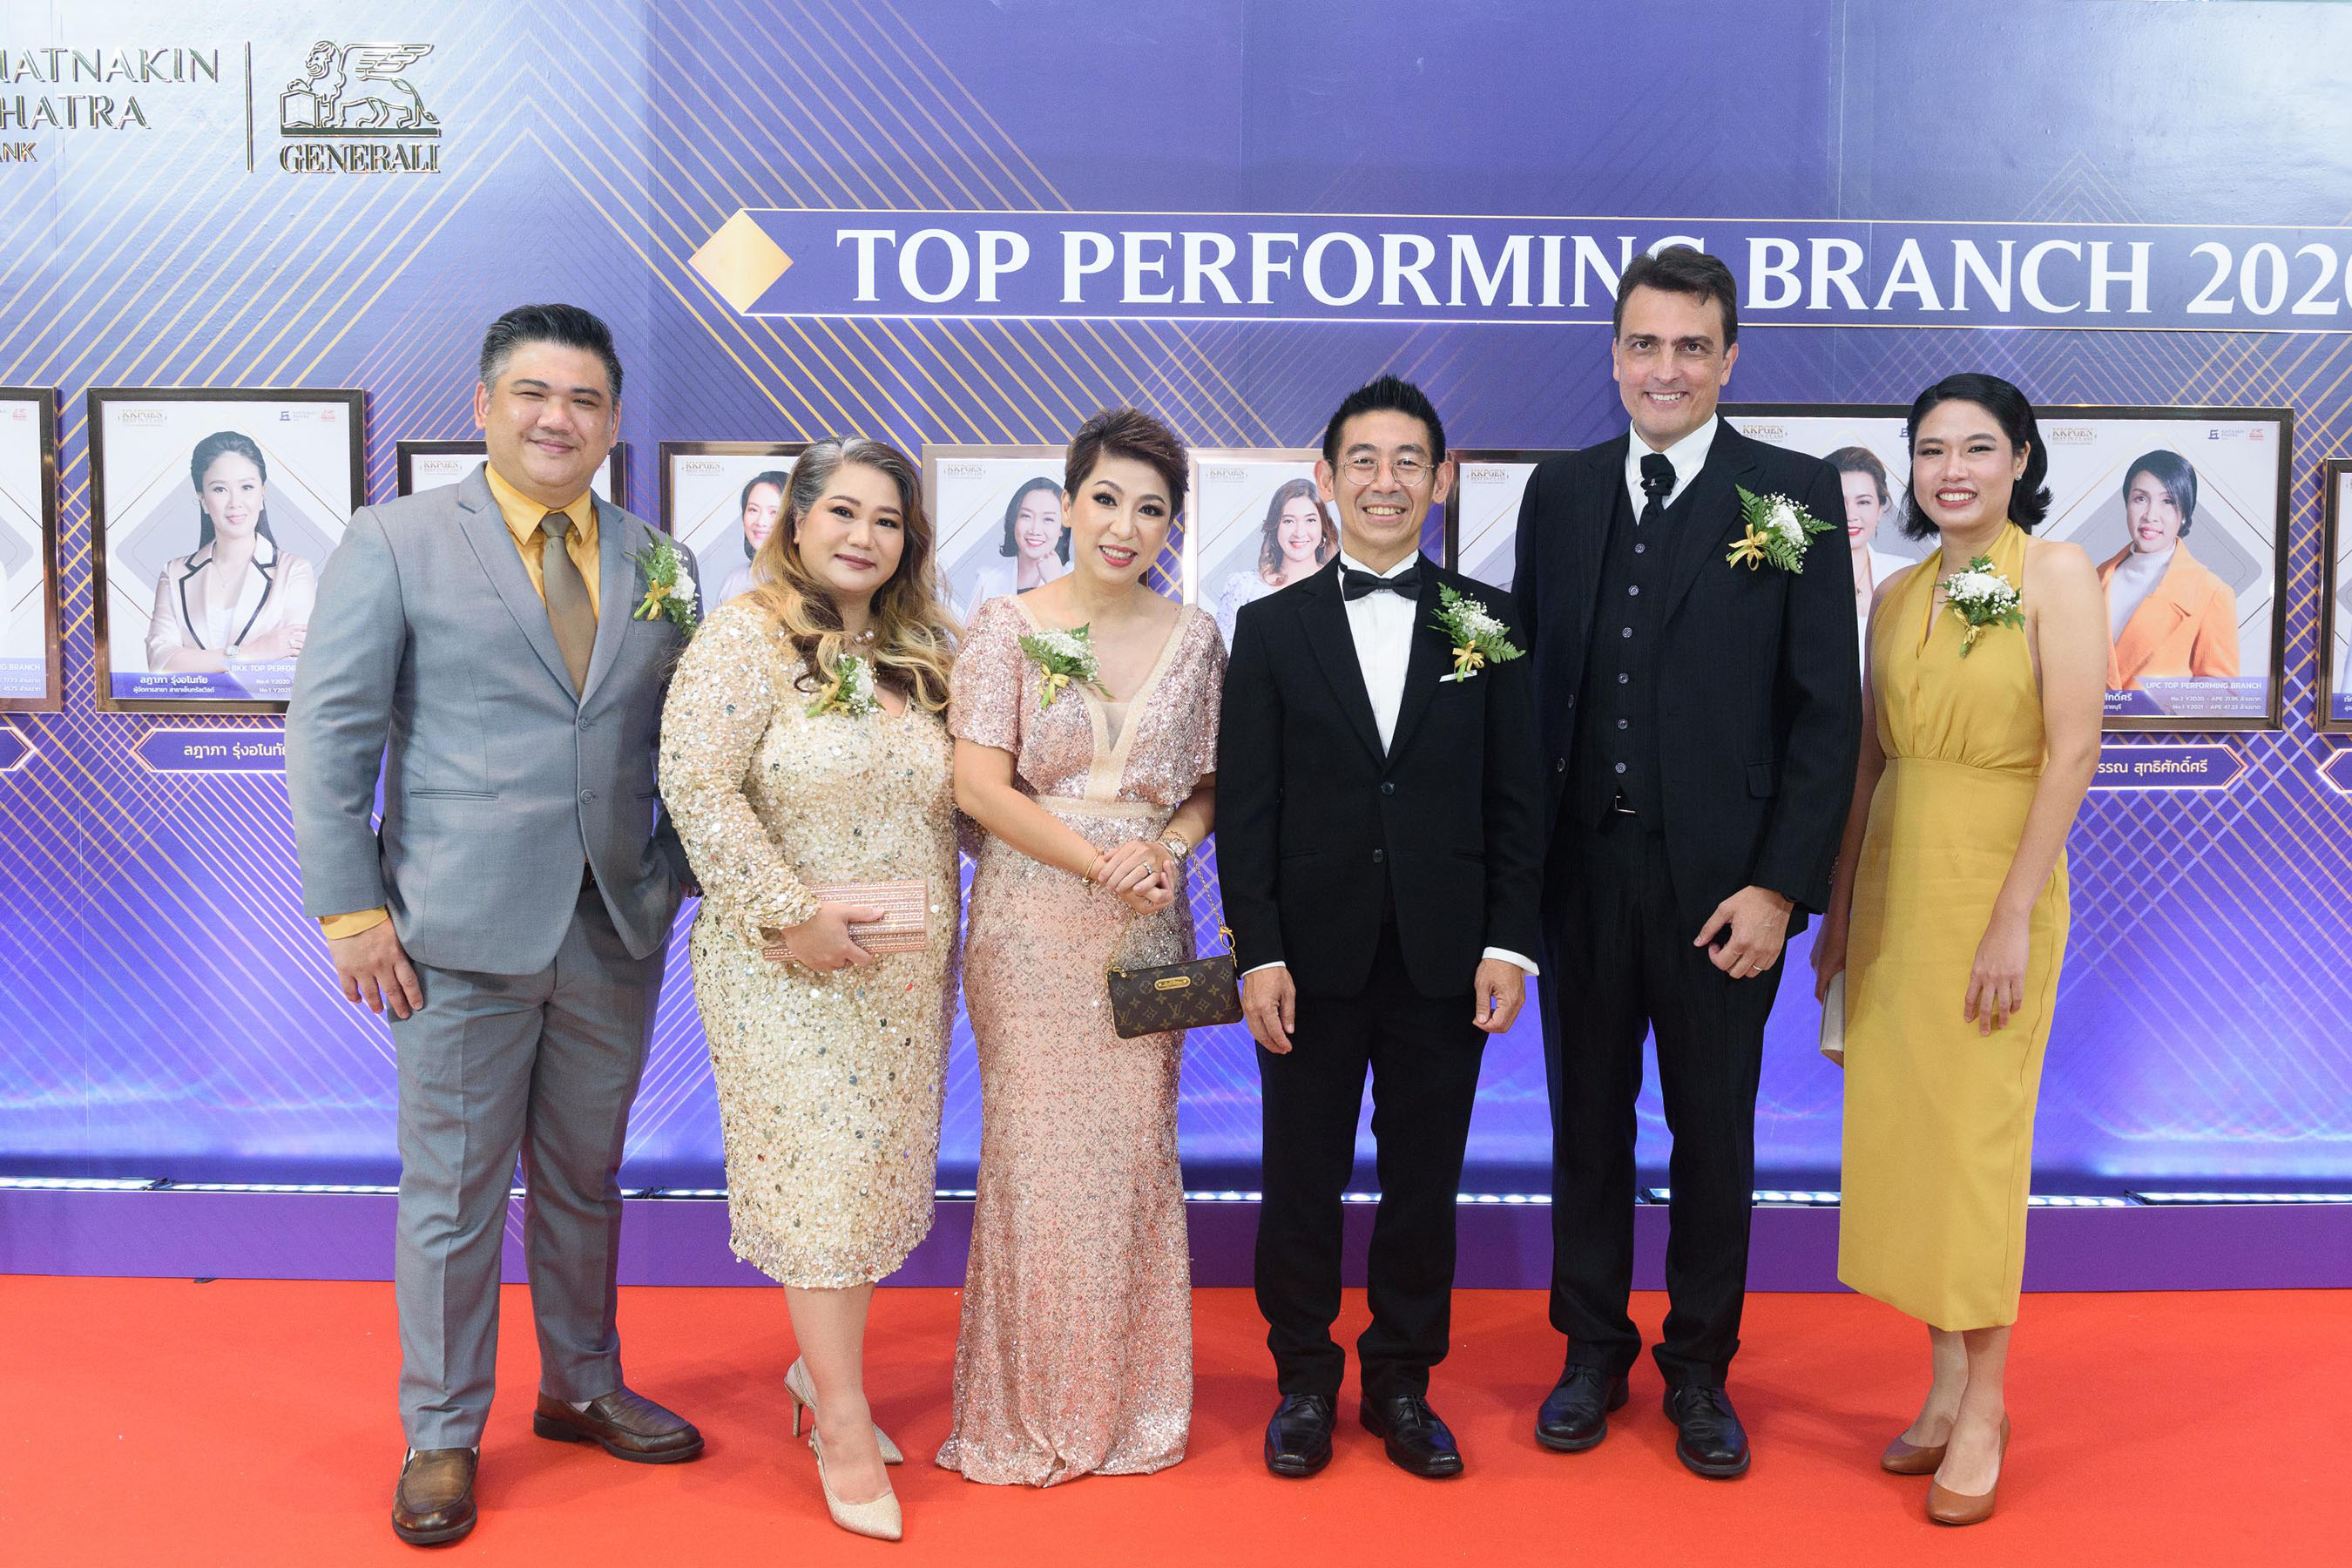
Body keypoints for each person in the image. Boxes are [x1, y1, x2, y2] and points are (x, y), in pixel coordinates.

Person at [287, 304, 704, 1549]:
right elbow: (329, 734)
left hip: (612, 927)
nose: (556, 418)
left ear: (615, 422)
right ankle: (441, 1433)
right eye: (533, 393)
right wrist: (351, 910)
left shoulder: (662, 562)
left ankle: (581, 1384)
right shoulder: (398, 541)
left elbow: (693, 740)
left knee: (585, 1178)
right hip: (451, 934)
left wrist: (678, 874)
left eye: (584, 399)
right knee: (455, 1195)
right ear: (483, 406)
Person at [1511, 247, 1860, 1479]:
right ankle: (1590, 1351)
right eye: (1645, 344)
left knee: (1715, 1133)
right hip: (1580, 878)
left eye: (1692, 347)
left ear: (1728, 359)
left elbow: (1826, 716)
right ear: (1615, 356)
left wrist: (1781, 887)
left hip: (1728, 893)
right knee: (1586, 1126)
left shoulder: (1791, 494)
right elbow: (1526, 691)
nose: (1667, 369)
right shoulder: (1559, 492)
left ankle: (1701, 1369)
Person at [1221, 375, 1543, 1481]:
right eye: (1364, 460)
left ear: (1441, 480)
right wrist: (1258, 950)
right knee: (1298, 1181)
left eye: (1410, 461)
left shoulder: (1488, 621)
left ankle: (1403, 1380)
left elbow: (1517, 798)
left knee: (1422, 1185)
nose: (1386, 481)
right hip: (1308, 960)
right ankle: (1304, 1382)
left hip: (1445, 959)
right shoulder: (1269, 629)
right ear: (1326, 478)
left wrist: (1509, 942)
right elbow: (1247, 812)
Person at [1814, 374, 2104, 1525]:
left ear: (2021, 459)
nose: (1952, 471)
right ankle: (1940, 1385)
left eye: (1978, 448)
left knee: (1977, 1147)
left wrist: (2012, 914)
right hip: (1896, 885)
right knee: (1914, 1145)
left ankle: (1985, 1407)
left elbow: (2074, 750)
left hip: (1995, 883)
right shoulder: (1896, 592)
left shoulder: (2056, 573)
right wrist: (1842, 904)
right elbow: (1870, 763)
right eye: (1931, 449)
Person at [659, 437, 959, 1542]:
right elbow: (696, 785)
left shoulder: (922, 651)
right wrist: (791, 913)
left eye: (886, 520)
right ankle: (840, 1418)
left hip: (903, 977)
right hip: (783, 969)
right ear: (794, 521)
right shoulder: (743, 638)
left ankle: (816, 1371)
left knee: (869, 1184)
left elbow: (966, 803)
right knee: (822, 1189)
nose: (862, 536)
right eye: (842, 512)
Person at [938, 407, 1223, 1487]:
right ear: (1066, 504)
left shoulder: (1197, 637)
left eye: (1151, 509)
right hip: (1027, 932)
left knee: (1135, 1156)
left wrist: (1168, 848)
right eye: (1106, 499)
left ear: (1171, 527)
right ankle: (1025, 1408)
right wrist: (1094, 860)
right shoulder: (1007, 625)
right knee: (1035, 1161)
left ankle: (1131, 1404)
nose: (1124, 525)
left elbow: (1210, 786)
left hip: (1152, 926)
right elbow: (978, 786)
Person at [144, 430, 318, 673]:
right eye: (219, 489)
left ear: (262, 493)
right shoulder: (174, 573)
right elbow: (161, 662)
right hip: (188, 701)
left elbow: (293, 665)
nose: (235, 502)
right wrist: (251, 653)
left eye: (247, 487)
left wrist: (200, 662)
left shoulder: (294, 571)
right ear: (202, 499)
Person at [2095, 449, 2240, 689]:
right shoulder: (2094, 578)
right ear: (2127, 503)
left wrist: (2159, 704)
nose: (2151, 515)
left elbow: (2221, 693)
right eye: (2140, 499)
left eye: (2168, 502)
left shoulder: (2212, 593)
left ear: (2184, 513)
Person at [1213, 476, 1335, 645]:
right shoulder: (1243, 588)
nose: (1299, 532)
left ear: (1323, 527)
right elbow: (1225, 656)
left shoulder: (1340, 586)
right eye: (1288, 521)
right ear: (1275, 526)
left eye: (1310, 520)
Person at [1827, 445, 1911, 667]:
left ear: (1881, 508)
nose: (1850, 515)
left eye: (1863, 502)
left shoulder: (1904, 573)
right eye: (1838, 500)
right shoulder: (1799, 576)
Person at [956, 475, 1068, 619]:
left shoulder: (1079, 579)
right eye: (1026, 516)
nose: (1035, 530)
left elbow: (1082, 632)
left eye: (1048, 519)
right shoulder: (988, 580)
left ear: (1062, 528)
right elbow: (966, 635)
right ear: (1014, 520)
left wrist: (1055, 585)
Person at [713, 468, 791, 605]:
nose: (761, 522)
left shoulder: (807, 582)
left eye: (774, 512)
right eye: (753, 510)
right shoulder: (733, 581)